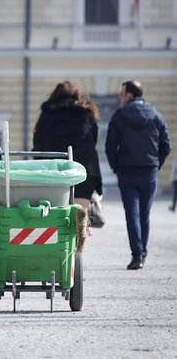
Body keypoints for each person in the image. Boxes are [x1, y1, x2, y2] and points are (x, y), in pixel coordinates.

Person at [105, 80, 171, 270]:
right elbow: (166, 146)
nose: (119, 97)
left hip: (127, 170)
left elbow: (110, 145)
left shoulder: (119, 115)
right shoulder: (156, 115)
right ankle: (142, 253)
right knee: (144, 214)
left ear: (129, 95)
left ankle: (137, 255)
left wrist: (115, 166)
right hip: (149, 170)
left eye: (121, 94)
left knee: (132, 214)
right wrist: (156, 164)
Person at [32, 81, 103, 214]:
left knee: (56, 217)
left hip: (53, 173)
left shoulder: (47, 115)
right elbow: (93, 140)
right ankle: (80, 233)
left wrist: (39, 164)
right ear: (76, 94)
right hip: (84, 172)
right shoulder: (86, 113)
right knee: (79, 218)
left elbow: (38, 143)